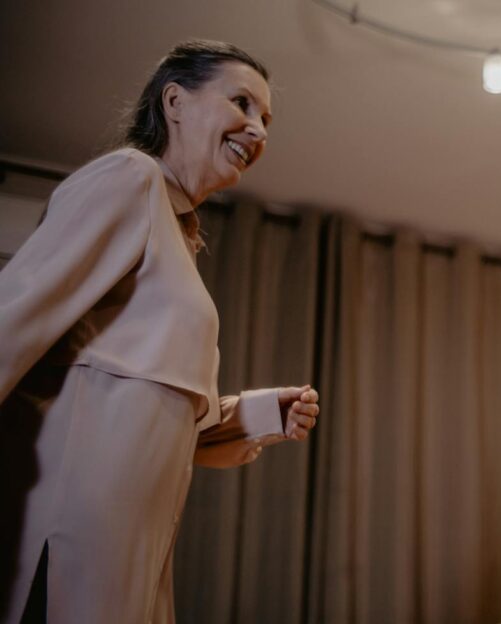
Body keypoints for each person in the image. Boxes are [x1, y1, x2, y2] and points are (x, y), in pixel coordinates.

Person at [0, 40, 320, 624]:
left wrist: (259, 414)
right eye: (242, 103)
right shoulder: (132, 177)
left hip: (133, 553)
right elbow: (13, 318)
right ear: (175, 102)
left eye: (266, 119)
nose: (257, 129)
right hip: (70, 538)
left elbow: (160, 421)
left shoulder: (179, 237)